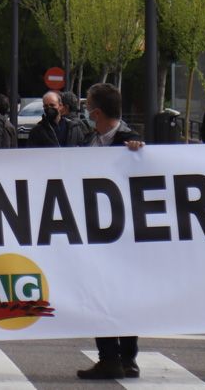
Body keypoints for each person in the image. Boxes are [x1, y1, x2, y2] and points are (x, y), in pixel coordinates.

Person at [76, 83, 145, 381]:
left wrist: (139, 153)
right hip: (96, 234)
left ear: (97, 112)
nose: (86, 111)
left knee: (119, 295)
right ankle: (114, 357)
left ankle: (123, 358)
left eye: (88, 105)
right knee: (102, 295)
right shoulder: (91, 142)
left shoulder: (131, 144)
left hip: (123, 236)